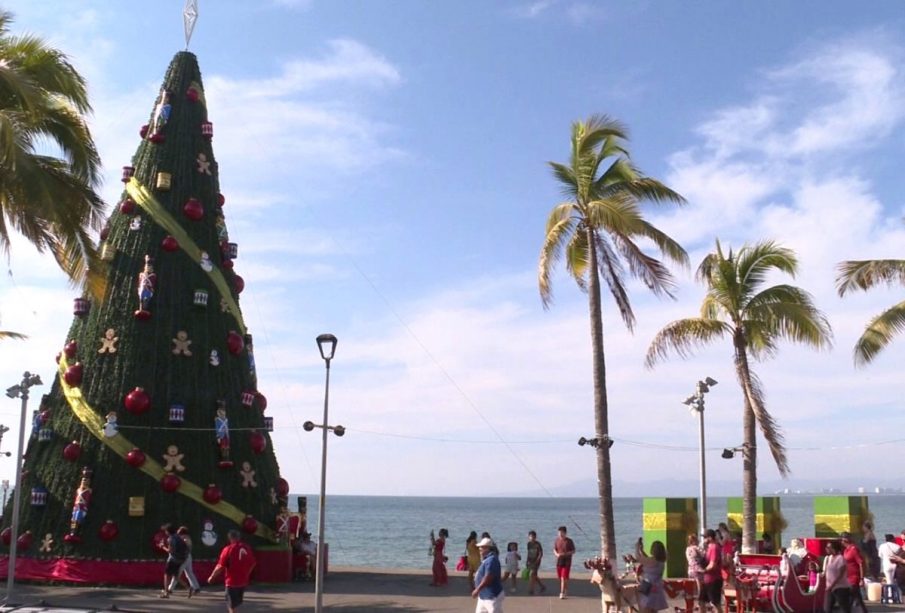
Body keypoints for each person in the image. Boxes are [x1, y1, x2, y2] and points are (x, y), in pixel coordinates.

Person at [208, 529, 256, 613]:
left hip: (231, 582)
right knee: (237, 604)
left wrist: (212, 576)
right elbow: (253, 563)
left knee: (231, 606)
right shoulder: (246, 548)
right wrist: (247, 574)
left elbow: (220, 566)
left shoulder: (228, 549)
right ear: (239, 537)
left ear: (230, 538)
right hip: (243, 581)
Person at [636, 538, 669, 612]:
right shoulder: (660, 560)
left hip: (648, 585)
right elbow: (647, 559)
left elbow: (639, 558)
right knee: (653, 608)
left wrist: (637, 547)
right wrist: (642, 551)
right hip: (656, 586)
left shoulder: (653, 560)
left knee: (645, 607)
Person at [472, 536, 504, 612]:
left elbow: (488, 577)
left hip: (492, 597)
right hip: (483, 596)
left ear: (487, 548)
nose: (479, 549)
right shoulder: (487, 559)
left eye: (481, 548)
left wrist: (477, 589)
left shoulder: (491, 560)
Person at [167, 526, 201, 597]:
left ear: (181, 532)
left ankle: (170, 589)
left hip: (183, 557)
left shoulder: (184, 538)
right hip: (188, 556)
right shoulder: (187, 538)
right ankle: (196, 587)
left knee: (177, 572)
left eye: (179, 531)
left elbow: (183, 547)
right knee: (189, 573)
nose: (177, 532)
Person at [841, 532, 868, 613]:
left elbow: (861, 563)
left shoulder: (854, 549)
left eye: (842, 539)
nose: (841, 542)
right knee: (856, 598)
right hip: (847, 578)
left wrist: (862, 579)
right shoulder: (846, 550)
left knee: (851, 598)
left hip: (854, 578)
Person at [159, 523, 188, 598]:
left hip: (173, 559)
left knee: (166, 575)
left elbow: (170, 551)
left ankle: (166, 593)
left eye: (166, 530)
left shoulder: (171, 539)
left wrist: (162, 547)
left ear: (168, 531)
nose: (165, 532)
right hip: (181, 559)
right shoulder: (178, 537)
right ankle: (188, 587)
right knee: (175, 575)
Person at [824, 540, 852, 613]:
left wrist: (832, 585)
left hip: (841, 588)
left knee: (844, 609)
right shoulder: (829, 558)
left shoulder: (840, 558)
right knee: (827, 609)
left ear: (833, 548)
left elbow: (840, 574)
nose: (826, 549)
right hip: (830, 587)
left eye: (828, 547)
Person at [700, 529, 722, 613]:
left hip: (714, 580)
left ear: (710, 538)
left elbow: (713, 565)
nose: (704, 539)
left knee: (716, 603)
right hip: (707, 580)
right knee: (701, 601)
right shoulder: (709, 548)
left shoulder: (714, 548)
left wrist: (704, 570)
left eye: (705, 537)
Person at [553, 525, 576, 600]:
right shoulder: (557, 540)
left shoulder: (569, 541)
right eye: (559, 533)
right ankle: (565, 589)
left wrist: (566, 554)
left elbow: (573, 551)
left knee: (563, 577)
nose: (560, 534)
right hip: (559, 560)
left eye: (562, 533)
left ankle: (562, 593)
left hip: (567, 561)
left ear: (565, 533)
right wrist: (556, 554)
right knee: (560, 578)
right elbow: (554, 549)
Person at [526, 530, 547, 595]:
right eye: (530, 536)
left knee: (532, 574)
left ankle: (531, 590)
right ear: (528, 537)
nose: (532, 538)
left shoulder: (538, 544)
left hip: (536, 562)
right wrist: (527, 561)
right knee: (534, 575)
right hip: (530, 561)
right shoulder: (529, 544)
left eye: (533, 536)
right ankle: (542, 586)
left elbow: (541, 553)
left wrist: (537, 560)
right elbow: (529, 553)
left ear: (535, 537)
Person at [685, 533, 704, 598]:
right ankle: (700, 597)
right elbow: (703, 555)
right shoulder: (696, 548)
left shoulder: (687, 549)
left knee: (691, 584)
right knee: (699, 585)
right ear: (694, 541)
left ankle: (690, 597)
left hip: (690, 569)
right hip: (698, 569)